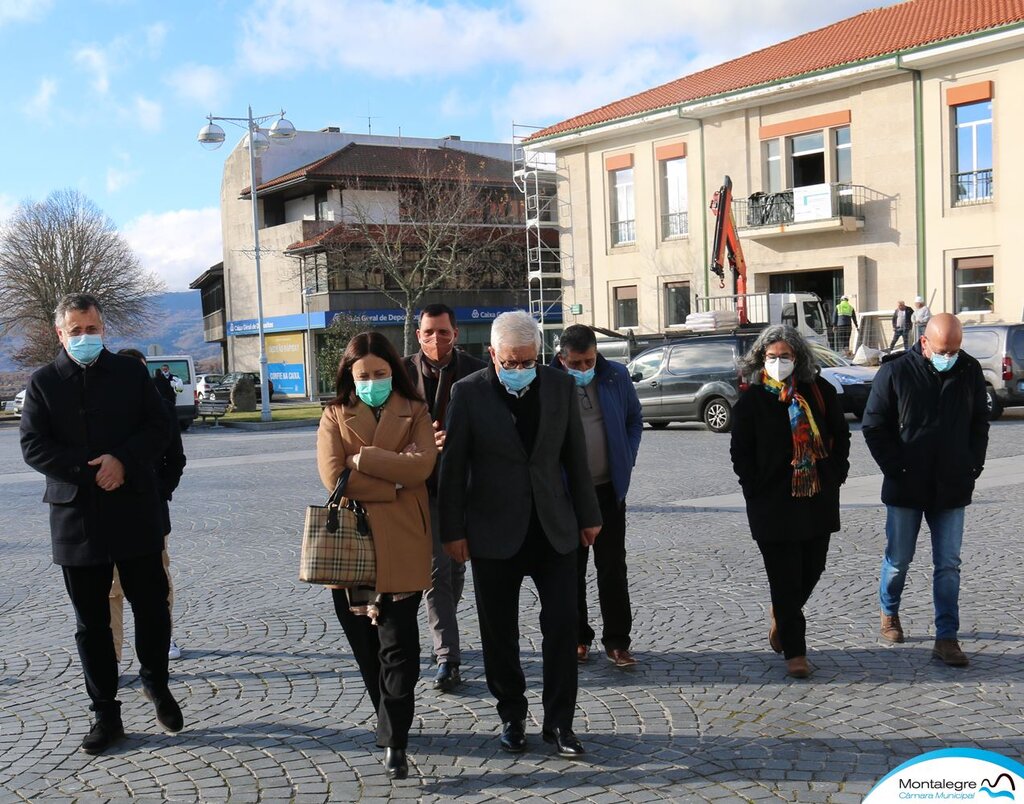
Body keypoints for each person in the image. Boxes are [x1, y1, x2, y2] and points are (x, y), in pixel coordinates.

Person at [20, 293, 183, 755]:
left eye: (92, 329)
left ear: (103, 329)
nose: (86, 338)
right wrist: (91, 470)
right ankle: (106, 714)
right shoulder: (43, 382)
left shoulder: (131, 374)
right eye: (76, 331)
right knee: (91, 622)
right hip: (77, 517)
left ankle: (156, 680)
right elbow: (33, 446)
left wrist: (123, 462)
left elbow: (159, 429)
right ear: (60, 333)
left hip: (133, 508)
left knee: (151, 605)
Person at [439, 310, 602, 757]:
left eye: (526, 360)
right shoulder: (467, 393)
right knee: (499, 632)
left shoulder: (560, 386)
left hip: (554, 529)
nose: (517, 369)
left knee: (563, 627)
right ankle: (511, 714)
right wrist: (452, 531)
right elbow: (453, 469)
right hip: (493, 531)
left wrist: (589, 515)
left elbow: (575, 457)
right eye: (509, 362)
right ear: (492, 354)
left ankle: (560, 724)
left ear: (539, 355)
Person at [317, 331, 436, 781]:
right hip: (353, 542)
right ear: (350, 375)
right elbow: (332, 477)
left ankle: (395, 740)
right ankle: (389, 717)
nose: (372, 381)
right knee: (367, 647)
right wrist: (395, 476)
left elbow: (423, 466)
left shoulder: (416, 410)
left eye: (381, 374)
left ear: (394, 372)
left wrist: (363, 459)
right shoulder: (334, 414)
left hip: (404, 540)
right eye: (363, 375)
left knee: (399, 646)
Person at [862, 313, 988, 667]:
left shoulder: (969, 370)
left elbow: (980, 422)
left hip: (951, 486)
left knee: (948, 564)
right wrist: (896, 467)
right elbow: (874, 426)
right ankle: (889, 612)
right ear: (924, 343)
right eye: (943, 349)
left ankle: (946, 637)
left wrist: (972, 466)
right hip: (906, 484)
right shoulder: (895, 372)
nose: (950, 355)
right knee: (899, 560)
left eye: (956, 349)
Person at [730, 325, 850, 679]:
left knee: (812, 568)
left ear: (797, 359)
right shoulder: (752, 399)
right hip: (772, 505)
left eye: (785, 356)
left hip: (816, 497)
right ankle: (795, 651)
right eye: (772, 356)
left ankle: (781, 615)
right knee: (784, 578)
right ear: (760, 359)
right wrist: (754, 488)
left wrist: (836, 475)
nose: (778, 362)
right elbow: (741, 453)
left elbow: (840, 437)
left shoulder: (819, 391)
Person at [402, 304, 486, 692]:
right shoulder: (402, 373)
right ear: (419, 335)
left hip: (468, 487)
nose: (437, 340)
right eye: (429, 332)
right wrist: (423, 445)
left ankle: (445, 635)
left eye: (444, 333)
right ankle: (447, 657)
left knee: (454, 569)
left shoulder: (477, 371)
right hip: (423, 489)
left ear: (456, 333)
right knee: (436, 574)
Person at [551, 324, 643, 668]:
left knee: (612, 567)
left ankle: (618, 641)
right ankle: (577, 636)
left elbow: (634, 419)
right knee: (570, 568)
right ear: (562, 358)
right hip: (566, 493)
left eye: (588, 361)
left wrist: (627, 456)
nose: (582, 369)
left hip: (609, 490)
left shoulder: (616, 376)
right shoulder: (549, 381)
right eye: (574, 363)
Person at [111, 349, 187, 663]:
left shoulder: (163, 410)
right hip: (111, 515)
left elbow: (176, 460)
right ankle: (111, 656)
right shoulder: (106, 411)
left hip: (152, 514)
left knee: (157, 582)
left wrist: (160, 491)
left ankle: (163, 640)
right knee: (111, 588)